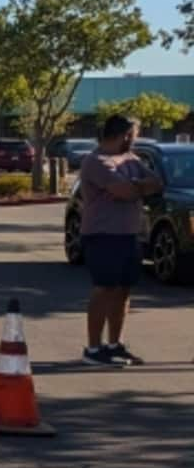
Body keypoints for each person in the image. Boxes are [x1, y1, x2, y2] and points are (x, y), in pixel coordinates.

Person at [76, 114, 162, 366]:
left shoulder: (131, 159)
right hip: (102, 235)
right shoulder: (96, 161)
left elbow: (156, 184)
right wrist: (135, 188)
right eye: (133, 134)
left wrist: (132, 186)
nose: (134, 139)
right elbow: (122, 190)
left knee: (123, 290)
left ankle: (115, 344)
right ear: (124, 134)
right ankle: (93, 349)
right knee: (104, 289)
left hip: (129, 234)